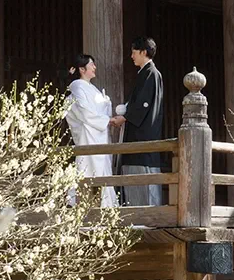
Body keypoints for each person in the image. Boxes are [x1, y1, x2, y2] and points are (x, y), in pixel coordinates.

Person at [110, 37, 164, 206]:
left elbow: (143, 104)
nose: (131, 56)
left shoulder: (151, 74)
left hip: (143, 135)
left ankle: (145, 215)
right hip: (138, 131)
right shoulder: (145, 73)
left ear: (143, 52)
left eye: (134, 52)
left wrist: (125, 117)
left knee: (142, 169)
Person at [65, 53, 118, 208]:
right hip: (89, 135)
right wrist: (106, 120)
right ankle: (86, 206)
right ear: (82, 69)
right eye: (91, 64)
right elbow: (83, 109)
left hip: (98, 134)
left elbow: (98, 109)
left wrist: (106, 105)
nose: (95, 67)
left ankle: (105, 207)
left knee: (101, 169)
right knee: (88, 168)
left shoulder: (92, 88)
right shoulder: (77, 85)